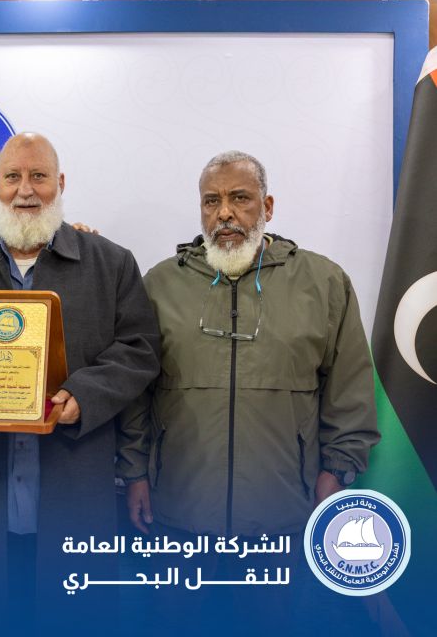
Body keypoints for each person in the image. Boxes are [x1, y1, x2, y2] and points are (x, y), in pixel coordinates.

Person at [0, 132, 161, 630]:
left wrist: (84, 395)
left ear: (60, 183)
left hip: (71, 491)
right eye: (12, 177)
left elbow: (138, 348)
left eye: (39, 176)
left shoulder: (111, 263)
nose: (25, 190)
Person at [117, 150, 380, 633]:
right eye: (211, 201)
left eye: (240, 198)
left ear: (267, 206)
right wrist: (133, 472)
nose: (225, 213)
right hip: (179, 508)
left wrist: (338, 469)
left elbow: (349, 387)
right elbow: (137, 392)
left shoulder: (323, 283)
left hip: (282, 510)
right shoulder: (160, 284)